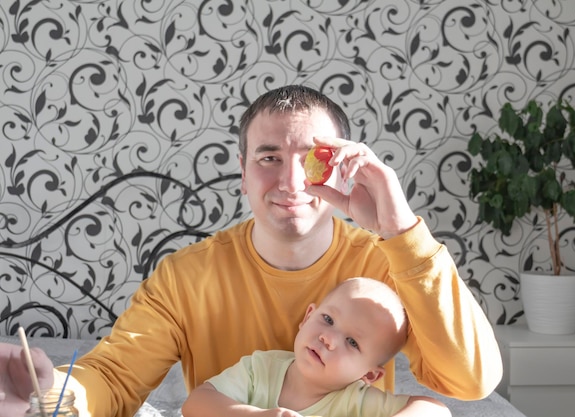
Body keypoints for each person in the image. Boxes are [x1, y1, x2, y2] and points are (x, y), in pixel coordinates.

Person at [0, 84, 502, 417]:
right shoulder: (185, 278)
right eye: (268, 157)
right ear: (242, 172)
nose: (289, 181)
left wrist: (400, 229)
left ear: (342, 168)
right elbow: (112, 376)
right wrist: (51, 395)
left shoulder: (385, 265)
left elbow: (472, 381)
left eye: (310, 160)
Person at [182, 277, 452, 417]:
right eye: (328, 319)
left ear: (369, 375)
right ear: (307, 317)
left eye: (352, 342)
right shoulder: (260, 369)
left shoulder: (355, 402)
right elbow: (195, 404)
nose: (328, 338)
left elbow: (437, 410)